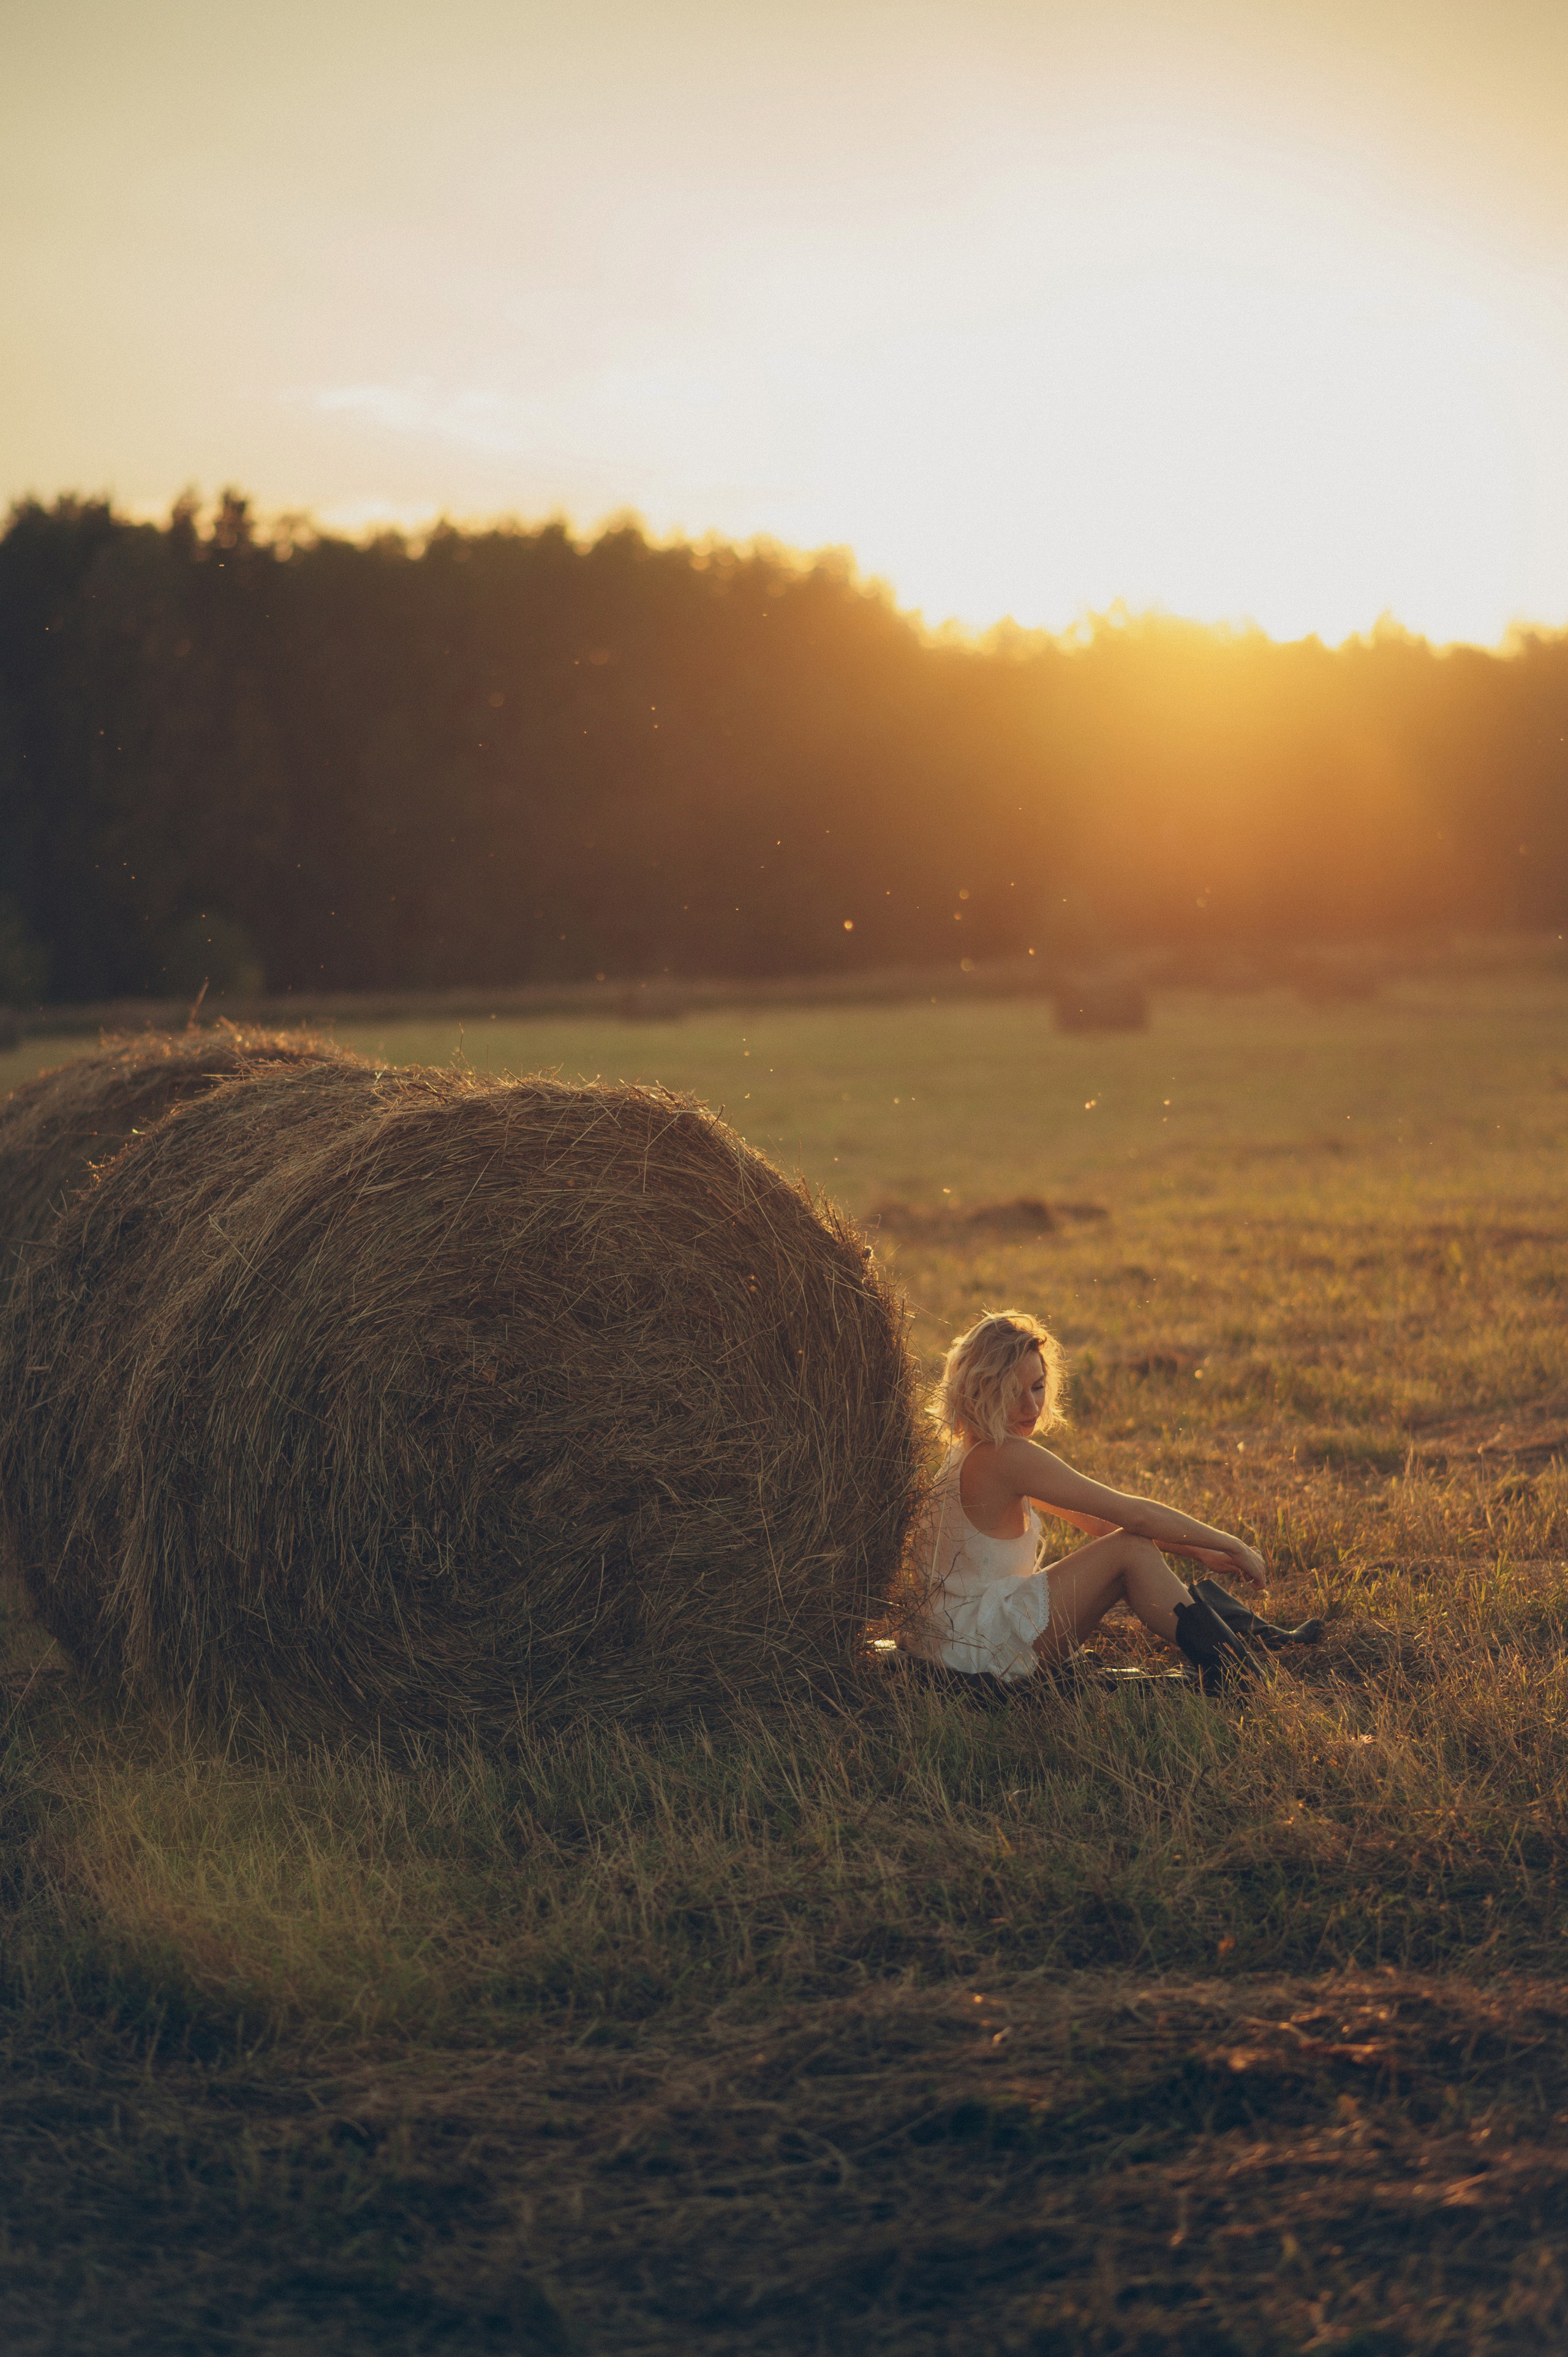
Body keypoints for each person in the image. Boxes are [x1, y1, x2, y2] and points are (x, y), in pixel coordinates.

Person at [898, 1310, 1321, 1693]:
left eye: (1039, 1387)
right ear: (982, 1390)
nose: (1031, 1406)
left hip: (953, 1639)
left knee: (1126, 1546)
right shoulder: (1004, 1456)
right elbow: (1131, 1514)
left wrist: (1199, 1549)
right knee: (1130, 1551)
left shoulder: (974, 1451)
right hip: (974, 1650)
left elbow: (1098, 1523)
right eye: (1013, 1391)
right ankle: (1238, 1675)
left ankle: (1242, 1641)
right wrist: (1231, 1543)